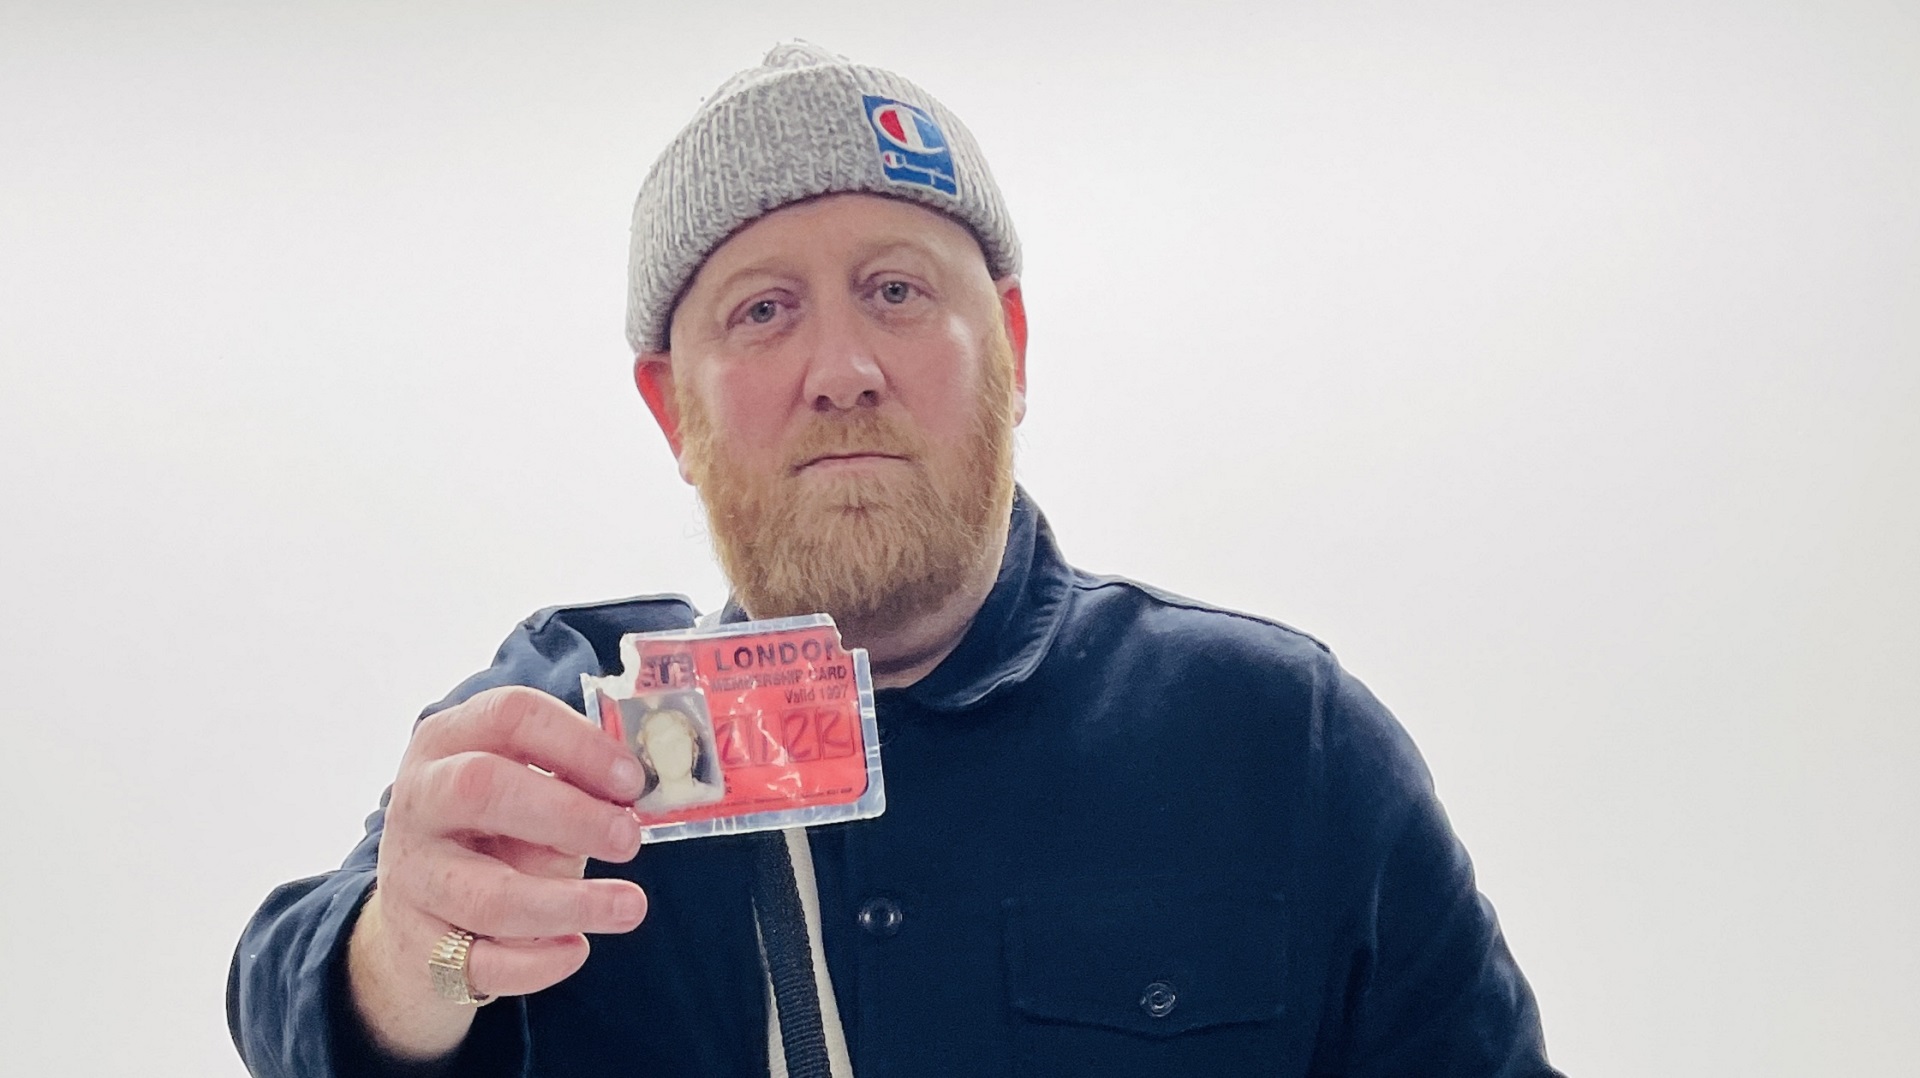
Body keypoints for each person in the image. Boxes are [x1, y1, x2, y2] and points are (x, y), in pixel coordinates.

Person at [228, 42, 1564, 1078]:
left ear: (1015, 349)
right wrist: (409, 956)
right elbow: (286, 988)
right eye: (763, 311)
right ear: (669, 410)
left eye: (899, 290)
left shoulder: (1284, 737)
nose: (843, 370)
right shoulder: (568, 722)